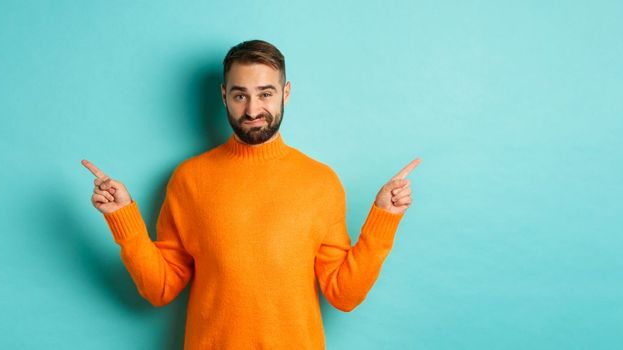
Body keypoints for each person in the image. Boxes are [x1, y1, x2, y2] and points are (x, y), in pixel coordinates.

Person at [81, 39, 419, 349]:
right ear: (224, 95)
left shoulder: (321, 182)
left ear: (285, 93)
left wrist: (384, 219)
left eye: (266, 93)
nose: (253, 109)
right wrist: (122, 217)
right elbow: (160, 288)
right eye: (240, 94)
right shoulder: (189, 179)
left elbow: (344, 294)